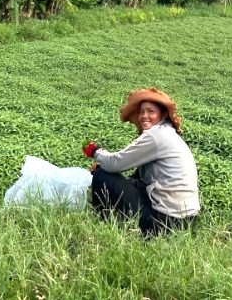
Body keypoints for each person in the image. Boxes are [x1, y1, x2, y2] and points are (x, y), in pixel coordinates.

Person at [83, 88, 200, 236]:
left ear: (162, 114)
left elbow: (114, 164)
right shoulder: (166, 132)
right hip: (186, 220)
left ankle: (100, 222)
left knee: (102, 175)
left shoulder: (157, 136)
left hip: (165, 221)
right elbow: (138, 179)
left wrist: (94, 151)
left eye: (151, 111)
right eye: (141, 112)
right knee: (127, 179)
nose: (144, 116)